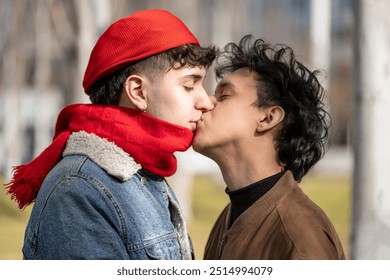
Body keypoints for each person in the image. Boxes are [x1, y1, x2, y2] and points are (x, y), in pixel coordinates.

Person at [5, 9, 217, 260]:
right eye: (189, 85)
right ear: (137, 92)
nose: (206, 101)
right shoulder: (79, 189)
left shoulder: (142, 173)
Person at [193, 35, 346, 260]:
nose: (205, 102)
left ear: (268, 117)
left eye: (223, 96)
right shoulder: (228, 219)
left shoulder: (300, 236)